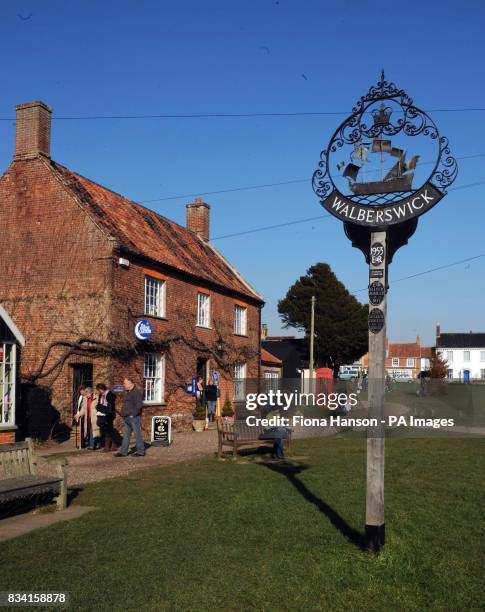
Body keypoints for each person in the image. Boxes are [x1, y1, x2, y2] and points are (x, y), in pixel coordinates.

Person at [114, 377, 145, 457]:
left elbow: (139, 406)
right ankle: (123, 452)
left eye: (125, 383)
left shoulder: (136, 393)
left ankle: (140, 451)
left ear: (130, 383)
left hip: (133, 418)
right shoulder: (127, 392)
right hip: (126, 417)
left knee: (137, 434)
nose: (123, 385)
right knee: (126, 435)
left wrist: (133, 415)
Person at [96, 383, 117, 452]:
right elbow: (98, 405)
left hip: (109, 415)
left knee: (109, 430)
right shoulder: (101, 395)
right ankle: (111, 445)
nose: (99, 392)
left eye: (99, 390)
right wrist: (100, 407)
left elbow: (109, 408)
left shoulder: (110, 395)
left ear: (102, 389)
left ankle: (110, 446)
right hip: (102, 415)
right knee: (106, 430)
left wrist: (100, 408)